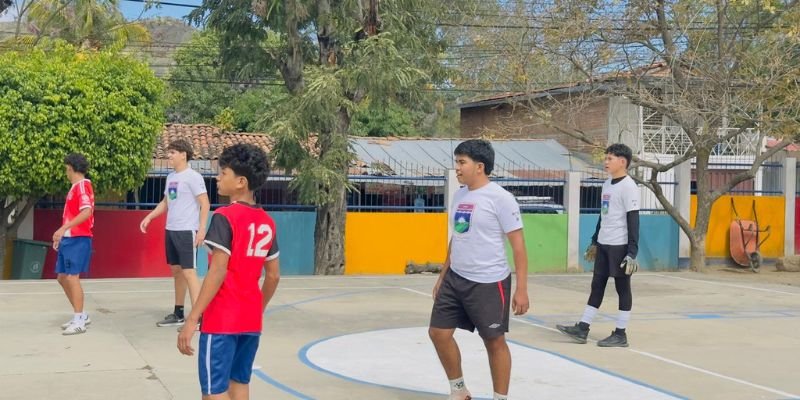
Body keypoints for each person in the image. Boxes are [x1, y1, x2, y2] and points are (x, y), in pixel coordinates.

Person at [177, 143, 280, 400]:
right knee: (240, 383)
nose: (218, 178)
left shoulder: (225, 216)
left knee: (214, 391)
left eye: (223, 173)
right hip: (251, 319)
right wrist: (258, 307)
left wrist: (192, 319)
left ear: (240, 182)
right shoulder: (267, 221)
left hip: (222, 319)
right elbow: (274, 276)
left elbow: (217, 271)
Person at [429, 139, 530, 400]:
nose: (457, 168)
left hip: (488, 282)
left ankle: (500, 397)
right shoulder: (460, 195)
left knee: (493, 341)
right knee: (438, 333)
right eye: (457, 162)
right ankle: (459, 390)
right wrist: (442, 276)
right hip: (455, 278)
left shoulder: (501, 199)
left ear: (480, 166)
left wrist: (521, 289)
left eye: (462, 162)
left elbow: (518, 246)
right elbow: (457, 237)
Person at [556, 143, 640, 347]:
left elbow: (633, 220)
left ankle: (620, 334)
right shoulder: (607, 184)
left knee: (623, 288)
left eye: (610, 158)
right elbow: (603, 216)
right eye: (606, 158)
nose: (606, 162)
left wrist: (631, 252)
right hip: (604, 243)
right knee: (597, 285)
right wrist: (595, 240)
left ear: (623, 162)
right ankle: (582, 328)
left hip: (619, 246)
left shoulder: (629, 186)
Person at [140, 139, 210, 327]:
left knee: (189, 272)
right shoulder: (171, 178)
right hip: (171, 230)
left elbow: (205, 203)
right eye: (168, 152)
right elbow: (166, 202)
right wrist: (149, 217)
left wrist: (202, 229)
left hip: (187, 231)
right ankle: (178, 313)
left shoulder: (193, 177)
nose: (168, 156)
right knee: (177, 271)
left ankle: (198, 317)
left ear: (183, 155)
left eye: (172, 152)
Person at [54, 153, 95, 336]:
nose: (66, 172)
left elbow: (86, 211)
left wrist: (64, 228)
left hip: (79, 238)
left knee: (72, 277)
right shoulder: (75, 187)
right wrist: (62, 233)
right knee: (62, 277)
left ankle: (79, 319)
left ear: (70, 168)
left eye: (66, 168)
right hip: (70, 238)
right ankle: (81, 315)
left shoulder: (82, 187)